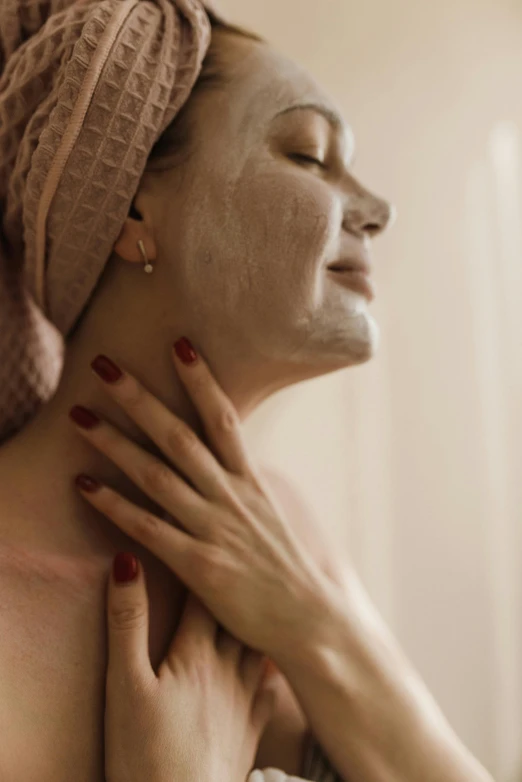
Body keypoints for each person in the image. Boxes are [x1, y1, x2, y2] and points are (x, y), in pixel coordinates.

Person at [0, 1, 494, 781]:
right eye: (309, 154)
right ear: (133, 209)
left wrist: (317, 627)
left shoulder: (280, 538)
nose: (378, 209)